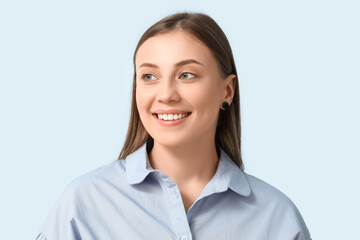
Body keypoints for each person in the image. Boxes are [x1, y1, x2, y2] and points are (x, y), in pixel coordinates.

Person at [36, 12, 311, 240]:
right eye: (149, 76)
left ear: (227, 91)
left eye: (186, 74)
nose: (166, 94)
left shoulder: (278, 218)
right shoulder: (82, 205)